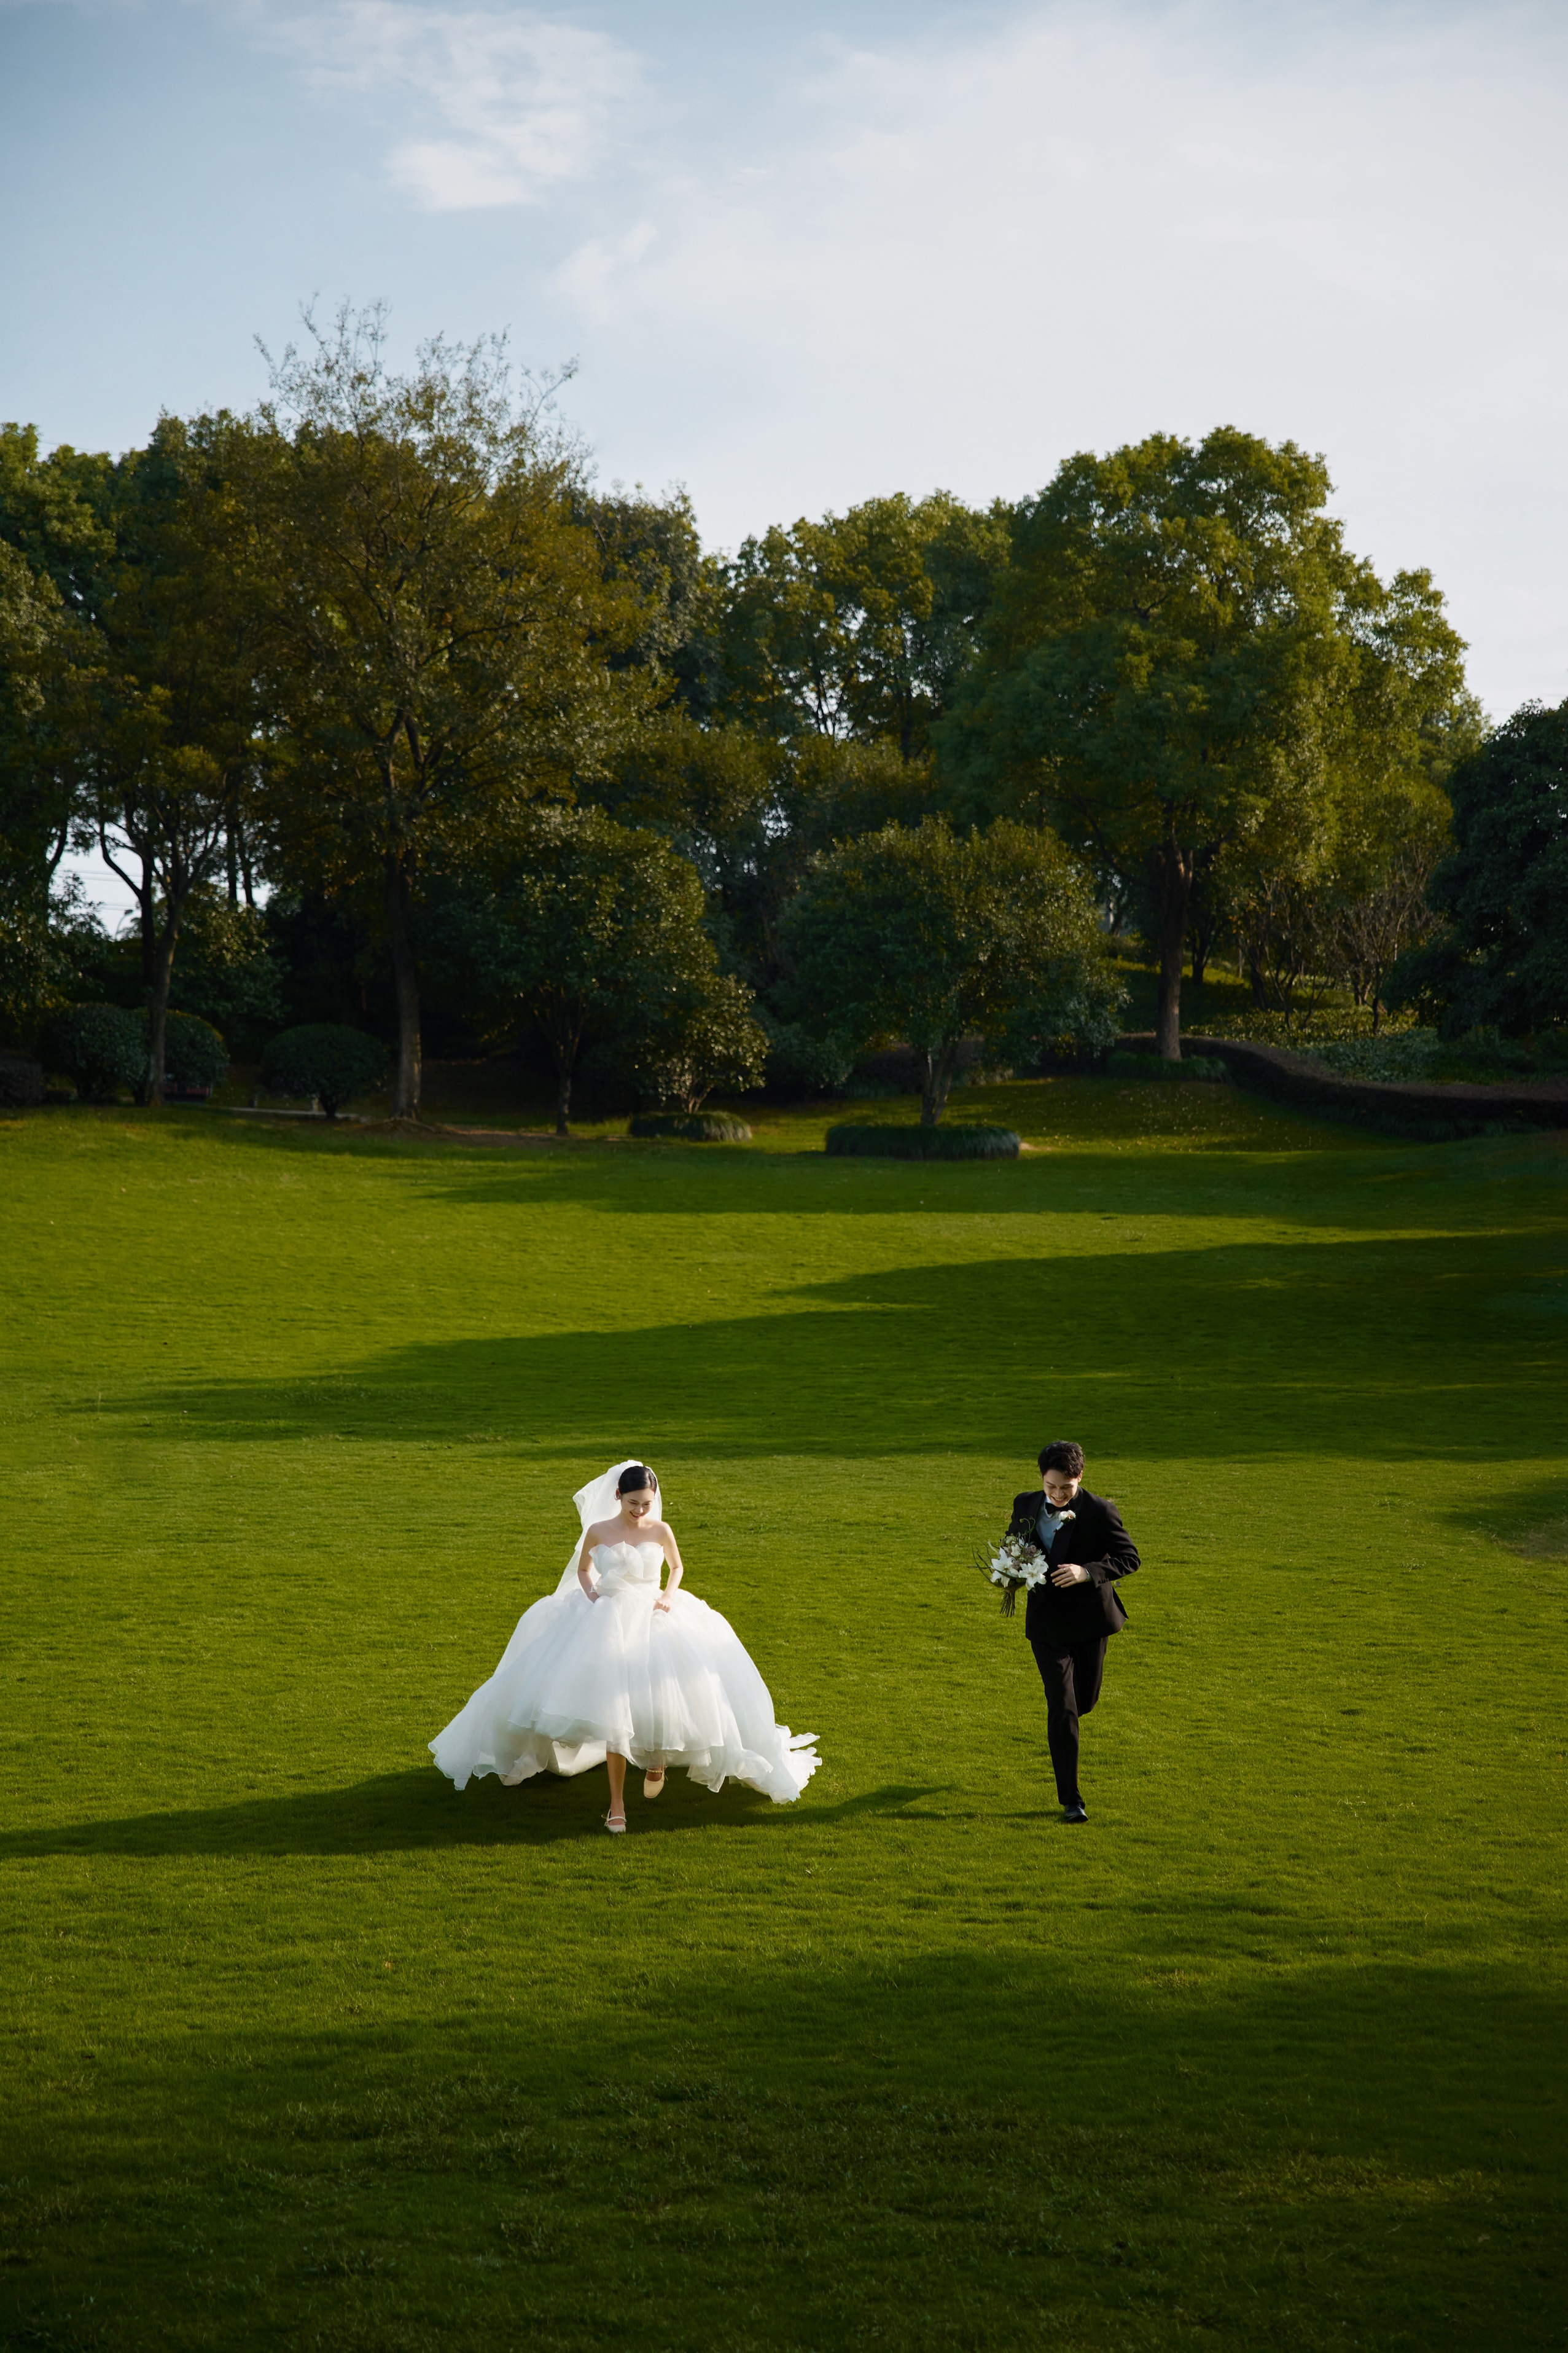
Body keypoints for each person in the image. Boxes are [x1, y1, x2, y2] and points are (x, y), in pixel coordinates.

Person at [429, 1459, 820, 1831]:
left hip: (653, 1614)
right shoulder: (599, 1531)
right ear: (618, 1495)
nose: (640, 1511)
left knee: (661, 1692)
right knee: (613, 1709)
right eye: (634, 1503)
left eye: (647, 1504)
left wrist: (668, 1594)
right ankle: (617, 1805)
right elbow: (584, 1570)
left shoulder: (661, 1530)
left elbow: (677, 1566)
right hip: (608, 1617)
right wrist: (593, 1597)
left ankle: (656, 1759)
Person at [1005, 1441, 1139, 1823]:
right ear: (1041, 1480)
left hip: (1089, 1622)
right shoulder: (1026, 1503)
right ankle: (1071, 1800)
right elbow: (1015, 1543)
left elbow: (1129, 1558)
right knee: (1061, 1707)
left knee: (1084, 1702)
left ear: (1080, 1477)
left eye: (1066, 1487)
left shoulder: (1099, 1511)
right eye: (1051, 1487)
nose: (1058, 1495)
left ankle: (1067, 1725)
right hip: (1046, 1625)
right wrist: (1010, 1572)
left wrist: (1087, 1572)